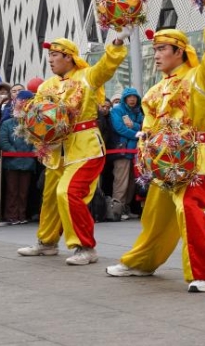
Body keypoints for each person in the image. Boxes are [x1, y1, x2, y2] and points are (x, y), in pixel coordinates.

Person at [107, 0, 205, 292]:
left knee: (189, 207)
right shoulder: (153, 91)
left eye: (162, 49)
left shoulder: (199, 79)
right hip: (163, 162)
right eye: (155, 50)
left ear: (180, 51)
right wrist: (146, 157)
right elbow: (148, 129)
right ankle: (141, 261)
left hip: (195, 158)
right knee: (154, 215)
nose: (157, 55)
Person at [16, 30, 129, 264]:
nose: (50, 59)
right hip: (57, 150)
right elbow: (38, 116)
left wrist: (117, 41)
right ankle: (46, 243)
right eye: (49, 54)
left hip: (85, 147)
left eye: (55, 54)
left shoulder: (87, 76)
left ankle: (85, 247)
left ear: (69, 57)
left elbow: (107, 65)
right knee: (49, 197)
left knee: (67, 192)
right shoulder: (46, 85)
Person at [0, 90, 37, 224]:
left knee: (24, 192)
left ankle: (22, 215)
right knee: (12, 191)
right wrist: (13, 152)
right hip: (12, 162)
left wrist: (33, 152)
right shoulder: (7, 123)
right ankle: (11, 215)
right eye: (21, 102)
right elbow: (4, 141)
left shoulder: (33, 123)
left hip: (28, 162)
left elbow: (36, 140)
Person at [109, 87, 144, 220]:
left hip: (135, 151)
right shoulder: (117, 110)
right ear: (125, 99)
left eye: (134, 97)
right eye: (129, 97)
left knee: (131, 182)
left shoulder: (138, 111)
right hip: (121, 150)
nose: (132, 99)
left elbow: (142, 126)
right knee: (121, 180)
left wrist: (134, 127)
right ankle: (117, 209)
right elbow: (120, 128)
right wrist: (137, 133)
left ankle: (126, 208)